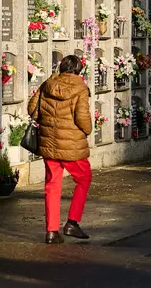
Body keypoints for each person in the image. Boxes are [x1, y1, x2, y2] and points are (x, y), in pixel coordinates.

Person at [28, 55, 92, 244]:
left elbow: (32, 108)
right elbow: (82, 117)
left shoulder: (48, 83)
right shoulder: (79, 87)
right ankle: (72, 222)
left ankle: (51, 231)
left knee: (52, 185)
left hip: (49, 144)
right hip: (71, 144)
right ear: (78, 70)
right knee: (84, 178)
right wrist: (88, 130)